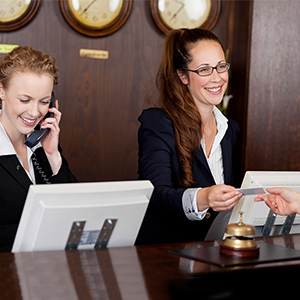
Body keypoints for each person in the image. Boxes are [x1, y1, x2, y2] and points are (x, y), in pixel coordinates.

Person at [135, 28, 243, 245]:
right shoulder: (158, 123)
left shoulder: (230, 129)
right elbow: (155, 195)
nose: (217, 78)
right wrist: (204, 197)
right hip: (163, 255)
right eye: (204, 70)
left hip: (210, 253)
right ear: (182, 76)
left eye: (221, 66)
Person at [0, 46, 77, 252]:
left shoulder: (43, 144)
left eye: (44, 102)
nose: (34, 112)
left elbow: (75, 210)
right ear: (2, 91)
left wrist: (54, 156)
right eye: (24, 100)